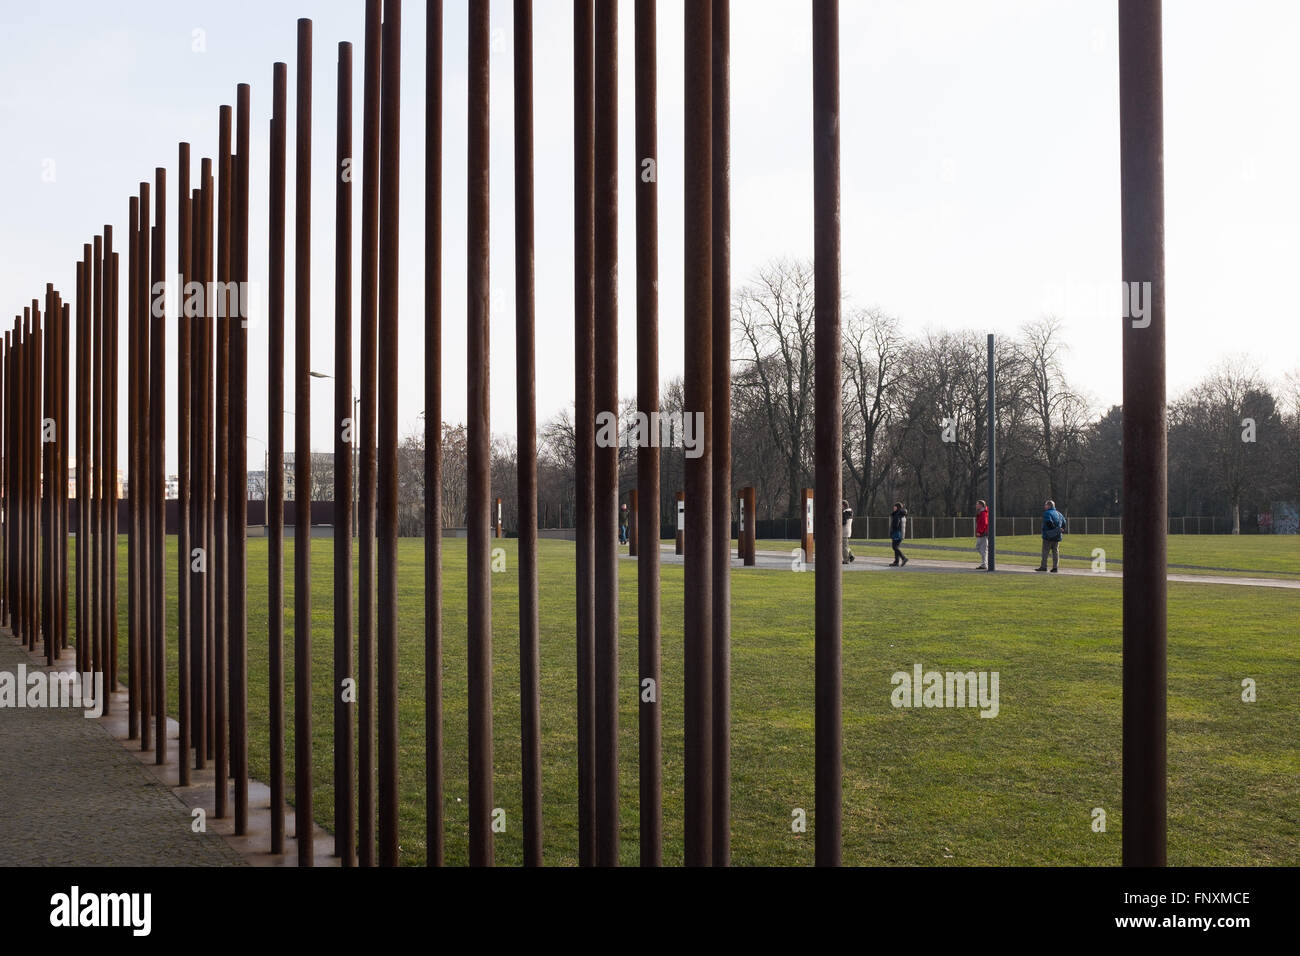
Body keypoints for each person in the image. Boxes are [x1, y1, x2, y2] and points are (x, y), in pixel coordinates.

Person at [1036, 498, 1066, 573]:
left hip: (1048, 536)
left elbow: (1049, 522)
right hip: (1057, 536)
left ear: (1049, 506)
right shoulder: (1059, 514)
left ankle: (1044, 567)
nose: (1044, 506)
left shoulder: (1047, 513)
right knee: (1055, 552)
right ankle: (1055, 568)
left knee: (1045, 552)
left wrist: (1053, 529)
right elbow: (1064, 523)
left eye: (1045, 505)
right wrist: (1059, 529)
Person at [889, 502, 908, 566]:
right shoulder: (901, 514)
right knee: (895, 547)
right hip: (900, 533)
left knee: (894, 547)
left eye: (895, 507)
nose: (893, 508)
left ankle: (904, 558)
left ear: (897, 507)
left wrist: (892, 530)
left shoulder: (898, 515)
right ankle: (896, 561)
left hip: (897, 533)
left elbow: (896, 524)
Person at [975, 499, 990, 569]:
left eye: (977, 504)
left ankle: (985, 563)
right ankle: (985, 561)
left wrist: (980, 532)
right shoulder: (981, 512)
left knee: (983, 549)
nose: (976, 505)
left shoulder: (983, 513)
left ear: (981, 505)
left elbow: (984, 523)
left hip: (983, 533)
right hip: (982, 533)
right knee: (978, 547)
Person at [841, 500, 855, 564]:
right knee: (845, 545)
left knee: (844, 546)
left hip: (844, 531)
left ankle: (846, 560)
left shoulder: (845, 513)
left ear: (843, 505)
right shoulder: (850, 512)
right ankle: (851, 555)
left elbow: (843, 522)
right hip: (848, 531)